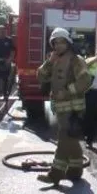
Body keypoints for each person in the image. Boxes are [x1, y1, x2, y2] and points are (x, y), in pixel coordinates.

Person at [36, 28, 92, 185]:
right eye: (56, 43)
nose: (58, 45)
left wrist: (67, 92)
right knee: (71, 140)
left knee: (64, 140)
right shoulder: (55, 60)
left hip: (74, 109)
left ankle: (55, 174)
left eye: (62, 42)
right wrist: (49, 62)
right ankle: (75, 170)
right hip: (60, 109)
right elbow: (40, 76)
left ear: (68, 43)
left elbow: (85, 81)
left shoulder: (76, 60)